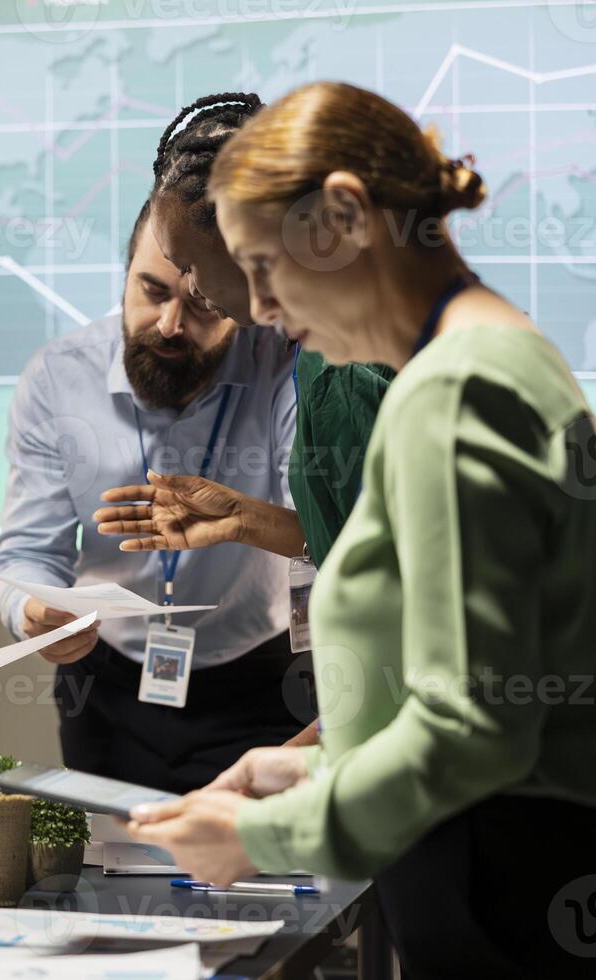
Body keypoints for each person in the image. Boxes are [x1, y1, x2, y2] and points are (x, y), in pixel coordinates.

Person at [126, 81, 596, 979]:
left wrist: (262, 835)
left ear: (343, 219)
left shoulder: (454, 390)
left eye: (264, 268)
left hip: (502, 889)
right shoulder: (493, 355)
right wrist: (305, 774)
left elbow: (474, 733)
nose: (262, 310)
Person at [96, 92, 395, 747]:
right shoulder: (329, 343)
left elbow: (405, 624)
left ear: (241, 237)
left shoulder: (343, 371)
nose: (191, 290)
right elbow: (365, 545)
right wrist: (240, 518)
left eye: (191, 267)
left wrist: (291, 765)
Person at [0, 200, 310, 795]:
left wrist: (239, 519)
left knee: (250, 854)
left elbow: (322, 534)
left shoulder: (286, 364)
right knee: (108, 853)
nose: (168, 324)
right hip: (107, 690)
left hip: (259, 688)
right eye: (152, 291)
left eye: (201, 303)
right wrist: (34, 611)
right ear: (124, 275)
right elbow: (28, 553)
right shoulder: (58, 377)